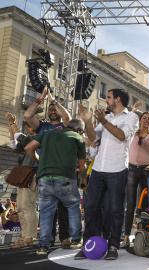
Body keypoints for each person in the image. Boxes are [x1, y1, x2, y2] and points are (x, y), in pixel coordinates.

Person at [76, 88, 139, 260]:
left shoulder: (131, 117)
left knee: (115, 210)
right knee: (90, 207)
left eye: (108, 97)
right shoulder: (107, 118)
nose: (106, 100)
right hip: (97, 170)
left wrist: (102, 121)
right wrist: (88, 122)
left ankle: (113, 245)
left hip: (117, 170)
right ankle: (89, 244)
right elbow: (93, 138)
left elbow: (121, 136)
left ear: (117, 99)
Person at [24, 119, 87, 255]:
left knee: (46, 212)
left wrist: (39, 162)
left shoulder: (48, 133)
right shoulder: (78, 138)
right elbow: (82, 165)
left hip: (44, 178)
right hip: (65, 178)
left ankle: (43, 246)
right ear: (80, 130)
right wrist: (84, 179)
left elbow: (28, 148)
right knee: (73, 207)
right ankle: (76, 239)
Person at [23, 86, 73, 249]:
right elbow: (27, 115)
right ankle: (48, 238)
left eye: (55, 109)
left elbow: (67, 116)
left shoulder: (65, 125)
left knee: (63, 207)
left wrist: (53, 100)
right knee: (47, 208)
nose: (52, 111)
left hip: (63, 172)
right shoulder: (42, 126)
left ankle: (65, 237)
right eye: (50, 109)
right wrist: (41, 99)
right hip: (44, 173)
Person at [121, 98, 149, 248]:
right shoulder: (133, 132)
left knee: (144, 205)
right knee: (130, 204)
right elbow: (125, 124)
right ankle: (126, 237)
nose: (146, 120)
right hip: (132, 170)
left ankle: (144, 236)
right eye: (144, 118)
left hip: (147, 171)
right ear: (140, 121)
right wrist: (132, 111)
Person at [5, 113, 38, 248]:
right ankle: (25, 237)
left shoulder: (37, 139)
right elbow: (13, 145)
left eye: (28, 127)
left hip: (32, 178)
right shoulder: (31, 140)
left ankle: (29, 238)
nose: (26, 130)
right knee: (21, 209)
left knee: (28, 208)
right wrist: (11, 128)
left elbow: (20, 138)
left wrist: (12, 124)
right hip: (25, 179)